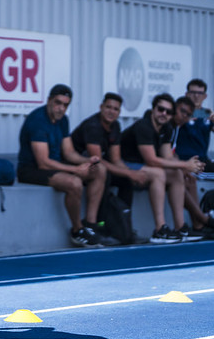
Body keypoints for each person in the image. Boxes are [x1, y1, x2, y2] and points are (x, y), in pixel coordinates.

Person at [17, 84, 107, 248]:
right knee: (74, 183)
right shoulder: (37, 120)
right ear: (49, 100)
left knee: (100, 170)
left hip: (54, 165)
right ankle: (77, 230)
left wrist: (87, 162)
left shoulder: (63, 120)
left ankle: (91, 223)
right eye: (58, 103)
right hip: (31, 169)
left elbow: (69, 152)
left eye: (65, 105)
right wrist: (75, 170)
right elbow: (43, 162)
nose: (61, 108)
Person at [70, 92, 160, 242]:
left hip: (97, 167)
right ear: (101, 107)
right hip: (79, 167)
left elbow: (116, 159)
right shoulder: (93, 126)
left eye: (116, 109)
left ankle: (124, 228)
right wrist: (131, 173)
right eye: (108, 107)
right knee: (106, 176)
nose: (111, 112)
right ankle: (99, 225)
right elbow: (97, 161)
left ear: (119, 112)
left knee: (126, 181)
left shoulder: (115, 126)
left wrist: (130, 174)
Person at [120, 93, 205, 242]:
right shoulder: (143, 126)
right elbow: (151, 160)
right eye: (160, 109)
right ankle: (159, 229)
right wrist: (184, 164)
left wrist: (187, 167)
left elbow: (167, 157)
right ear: (153, 109)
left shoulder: (167, 128)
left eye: (168, 111)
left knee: (176, 173)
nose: (164, 114)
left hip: (143, 167)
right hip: (123, 166)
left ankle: (180, 227)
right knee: (158, 173)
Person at [168, 96, 214, 238]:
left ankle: (198, 225)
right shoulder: (169, 126)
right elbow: (156, 157)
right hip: (152, 165)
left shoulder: (203, 117)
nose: (184, 116)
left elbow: (170, 153)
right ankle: (200, 221)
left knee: (189, 175)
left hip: (189, 162)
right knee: (184, 175)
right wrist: (184, 165)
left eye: (188, 114)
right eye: (182, 112)